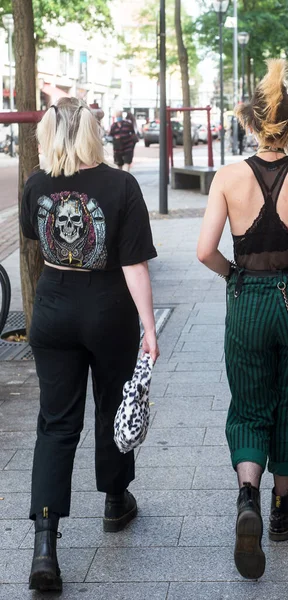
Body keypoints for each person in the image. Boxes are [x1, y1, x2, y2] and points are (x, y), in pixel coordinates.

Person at [197, 59, 288, 580]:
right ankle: (280, 513)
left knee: (250, 403)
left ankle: (247, 496)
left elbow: (205, 251)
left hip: (248, 301)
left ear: (251, 124)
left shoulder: (228, 177)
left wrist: (234, 276)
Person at [20, 97, 159, 592]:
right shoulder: (121, 185)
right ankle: (116, 501)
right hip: (108, 309)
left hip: (54, 308)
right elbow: (134, 264)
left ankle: (44, 546)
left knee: (56, 425)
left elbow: (36, 243)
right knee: (112, 405)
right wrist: (149, 325)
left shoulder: (35, 185)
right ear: (94, 134)